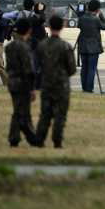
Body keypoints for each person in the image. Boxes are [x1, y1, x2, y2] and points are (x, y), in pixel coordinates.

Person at [33, 15, 76, 148]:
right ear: (62, 27)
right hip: (61, 86)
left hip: (46, 84)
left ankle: (39, 139)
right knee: (60, 115)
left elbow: (36, 66)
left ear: (49, 27)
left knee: (45, 114)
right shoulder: (66, 47)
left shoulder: (41, 46)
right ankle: (57, 141)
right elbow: (72, 69)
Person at [5, 18, 37, 146]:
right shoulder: (24, 47)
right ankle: (22, 137)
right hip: (22, 83)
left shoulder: (9, 47)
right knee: (20, 112)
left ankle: (21, 137)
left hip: (12, 81)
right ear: (29, 30)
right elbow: (28, 69)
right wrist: (32, 88)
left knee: (19, 110)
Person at [77, 0, 105, 93]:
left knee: (84, 68)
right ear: (97, 9)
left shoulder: (82, 18)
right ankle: (89, 89)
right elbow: (104, 26)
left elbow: (79, 26)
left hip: (82, 47)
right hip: (93, 48)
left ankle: (84, 88)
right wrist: (101, 15)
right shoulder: (96, 19)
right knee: (91, 69)